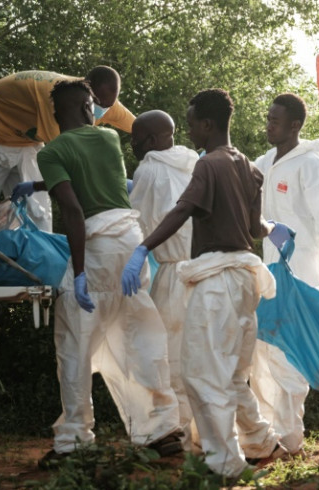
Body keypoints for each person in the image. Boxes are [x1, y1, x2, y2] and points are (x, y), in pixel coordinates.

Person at [121, 88, 289, 480]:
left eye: (193, 122)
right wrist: (271, 228)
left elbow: (183, 210)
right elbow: (253, 229)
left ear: (207, 124)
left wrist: (142, 249)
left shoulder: (208, 165)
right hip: (245, 277)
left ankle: (224, 465)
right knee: (232, 376)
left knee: (201, 374)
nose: (190, 130)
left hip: (215, 279)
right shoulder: (248, 166)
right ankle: (264, 444)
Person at [28, 80, 181, 468]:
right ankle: (160, 432)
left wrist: (78, 273)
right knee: (137, 338)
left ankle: (74, 442)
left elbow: (75, 211)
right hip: (131, 244)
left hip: (94, 248)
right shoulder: (111, 140)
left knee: (75, 346)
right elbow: (89, 176)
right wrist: (37, 184)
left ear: (54, 114)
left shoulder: (53, 151)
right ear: (88, 107)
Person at [250, 93, 319, 456]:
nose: (269, 125)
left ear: (294, 125)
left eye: (275, 120)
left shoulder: (311, 165)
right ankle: (267, 435)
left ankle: (290, 439)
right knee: (263, 350)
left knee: (288, 356)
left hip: (303, 271)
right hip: (268, 270)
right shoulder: (262, 163)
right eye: (268, 118)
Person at [0, 66, 135, 249]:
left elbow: (145, 127)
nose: (102, 109)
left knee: (38, 212)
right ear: (87, 95)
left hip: (26, 139)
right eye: (97, 104)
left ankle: (33, 266)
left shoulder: (104, 101)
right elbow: (73, 173)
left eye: (108, 105)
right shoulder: (58, 106)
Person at [128, 110, 200, 450]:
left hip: (173, 272)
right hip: (205, 270)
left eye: (136, 141)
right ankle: (205, 432)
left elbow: (136, 227)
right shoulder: (194, 164)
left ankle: (176, 430)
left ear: (154, 140)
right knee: (201, 354)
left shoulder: (150, 168)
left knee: (168, 356)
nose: (133, 148)